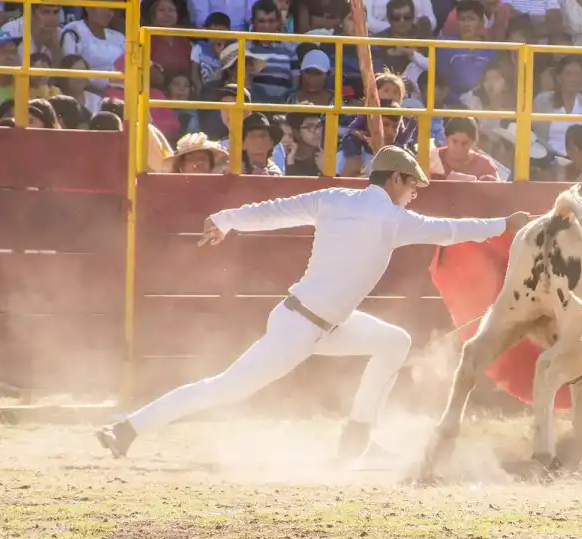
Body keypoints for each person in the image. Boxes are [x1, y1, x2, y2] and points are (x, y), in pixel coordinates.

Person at [96, 146, 534, 463]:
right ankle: (128, 427)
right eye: (413, 186)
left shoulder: (333, 199)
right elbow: (451, 230)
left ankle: (359, 437)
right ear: (395, 180)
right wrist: (505, 224)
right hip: (301, 328)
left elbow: (274, 210)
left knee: (394, 341)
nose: (414, 195)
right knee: (226, 389)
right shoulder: (395, 219)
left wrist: (227, 220)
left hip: (319, 320)